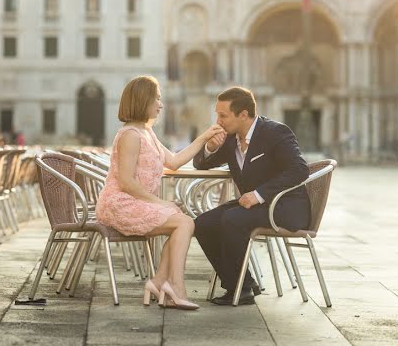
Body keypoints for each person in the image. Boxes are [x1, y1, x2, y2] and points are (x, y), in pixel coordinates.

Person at [96, 75, 224, 311]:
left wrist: (204, 137)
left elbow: (174, 161)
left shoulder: (147, 133)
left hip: (136, 201)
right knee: (184, 223)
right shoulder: (130, 136)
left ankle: (158, 283)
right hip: (120, 203)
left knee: (183, 223)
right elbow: (125, 181)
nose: (161, 105)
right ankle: (173, 287)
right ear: (143, 100)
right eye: (157, 99)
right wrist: (160, 202)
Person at [193, 86, 310, 306]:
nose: (218, 121)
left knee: (232, 220)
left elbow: (299, 169)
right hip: (253, 208)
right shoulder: (229, 139)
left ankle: (241, 289)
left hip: (285, 207)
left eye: (223, 115)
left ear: (243, 114)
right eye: (217, 114)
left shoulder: (276, 132)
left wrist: (258, 195)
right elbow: (201, 163)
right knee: (202, 223)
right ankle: (243, 283)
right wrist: (209, 146)